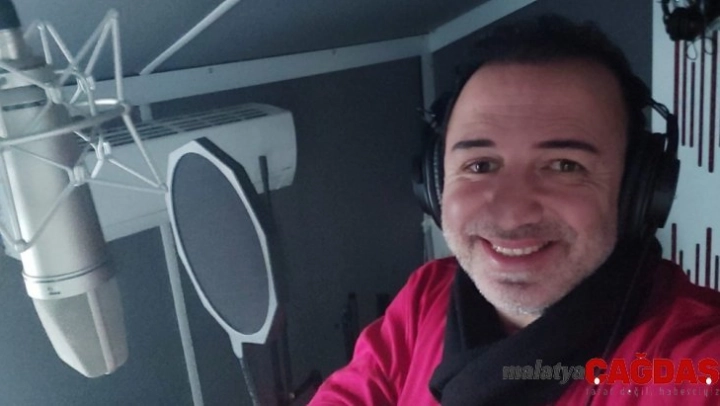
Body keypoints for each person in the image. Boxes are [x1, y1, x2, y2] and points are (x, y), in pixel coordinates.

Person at [309, 15, 720, 405]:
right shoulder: (426, 297)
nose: (512, 214)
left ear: (638, 191)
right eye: (480, 165)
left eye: (564, 166)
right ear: (435, 183)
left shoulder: (697, 362)